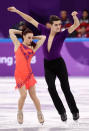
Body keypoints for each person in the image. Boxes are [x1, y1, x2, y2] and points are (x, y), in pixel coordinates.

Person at [8, 7, 80, 121]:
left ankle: (74, 111)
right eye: (56, 25)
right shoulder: (44, 30)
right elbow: (30, 19)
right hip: (48, 65)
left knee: (65, 88)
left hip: (59, 64)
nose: (58, 27)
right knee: (51, 88)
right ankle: (62, 112)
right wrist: (17, 11)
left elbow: (76, 25)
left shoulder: (62, 34)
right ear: (51, 25)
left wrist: (75, 17)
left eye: (59, 25)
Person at [9, 27, 46, 124]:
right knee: (24, 95)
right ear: (23, 36)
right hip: (19, 75)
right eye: (28, 38)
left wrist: (33, 36)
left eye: (31, 38)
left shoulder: (33, 47)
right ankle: (20, 113)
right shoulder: (17, 45)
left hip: (29, 75)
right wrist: (21, 32)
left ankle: (39, 113)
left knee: (33, 96)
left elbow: (43, 37)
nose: (31, 40)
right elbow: (10, 31)